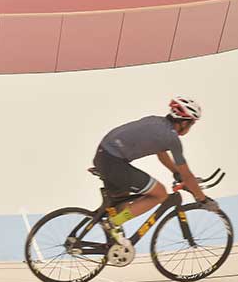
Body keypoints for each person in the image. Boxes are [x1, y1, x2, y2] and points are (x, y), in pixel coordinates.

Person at [92, 97, 219, 250]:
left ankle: (111, 239)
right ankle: (111, 224)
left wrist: (175, 173)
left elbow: (162, 154)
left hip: (104, 156)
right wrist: (203, 199)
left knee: (123, 207)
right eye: (192, 124)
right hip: (114, 162)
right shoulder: (172, 138)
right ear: (184, 122)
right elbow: (188, 175)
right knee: (160, 194)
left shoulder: (157, 122)